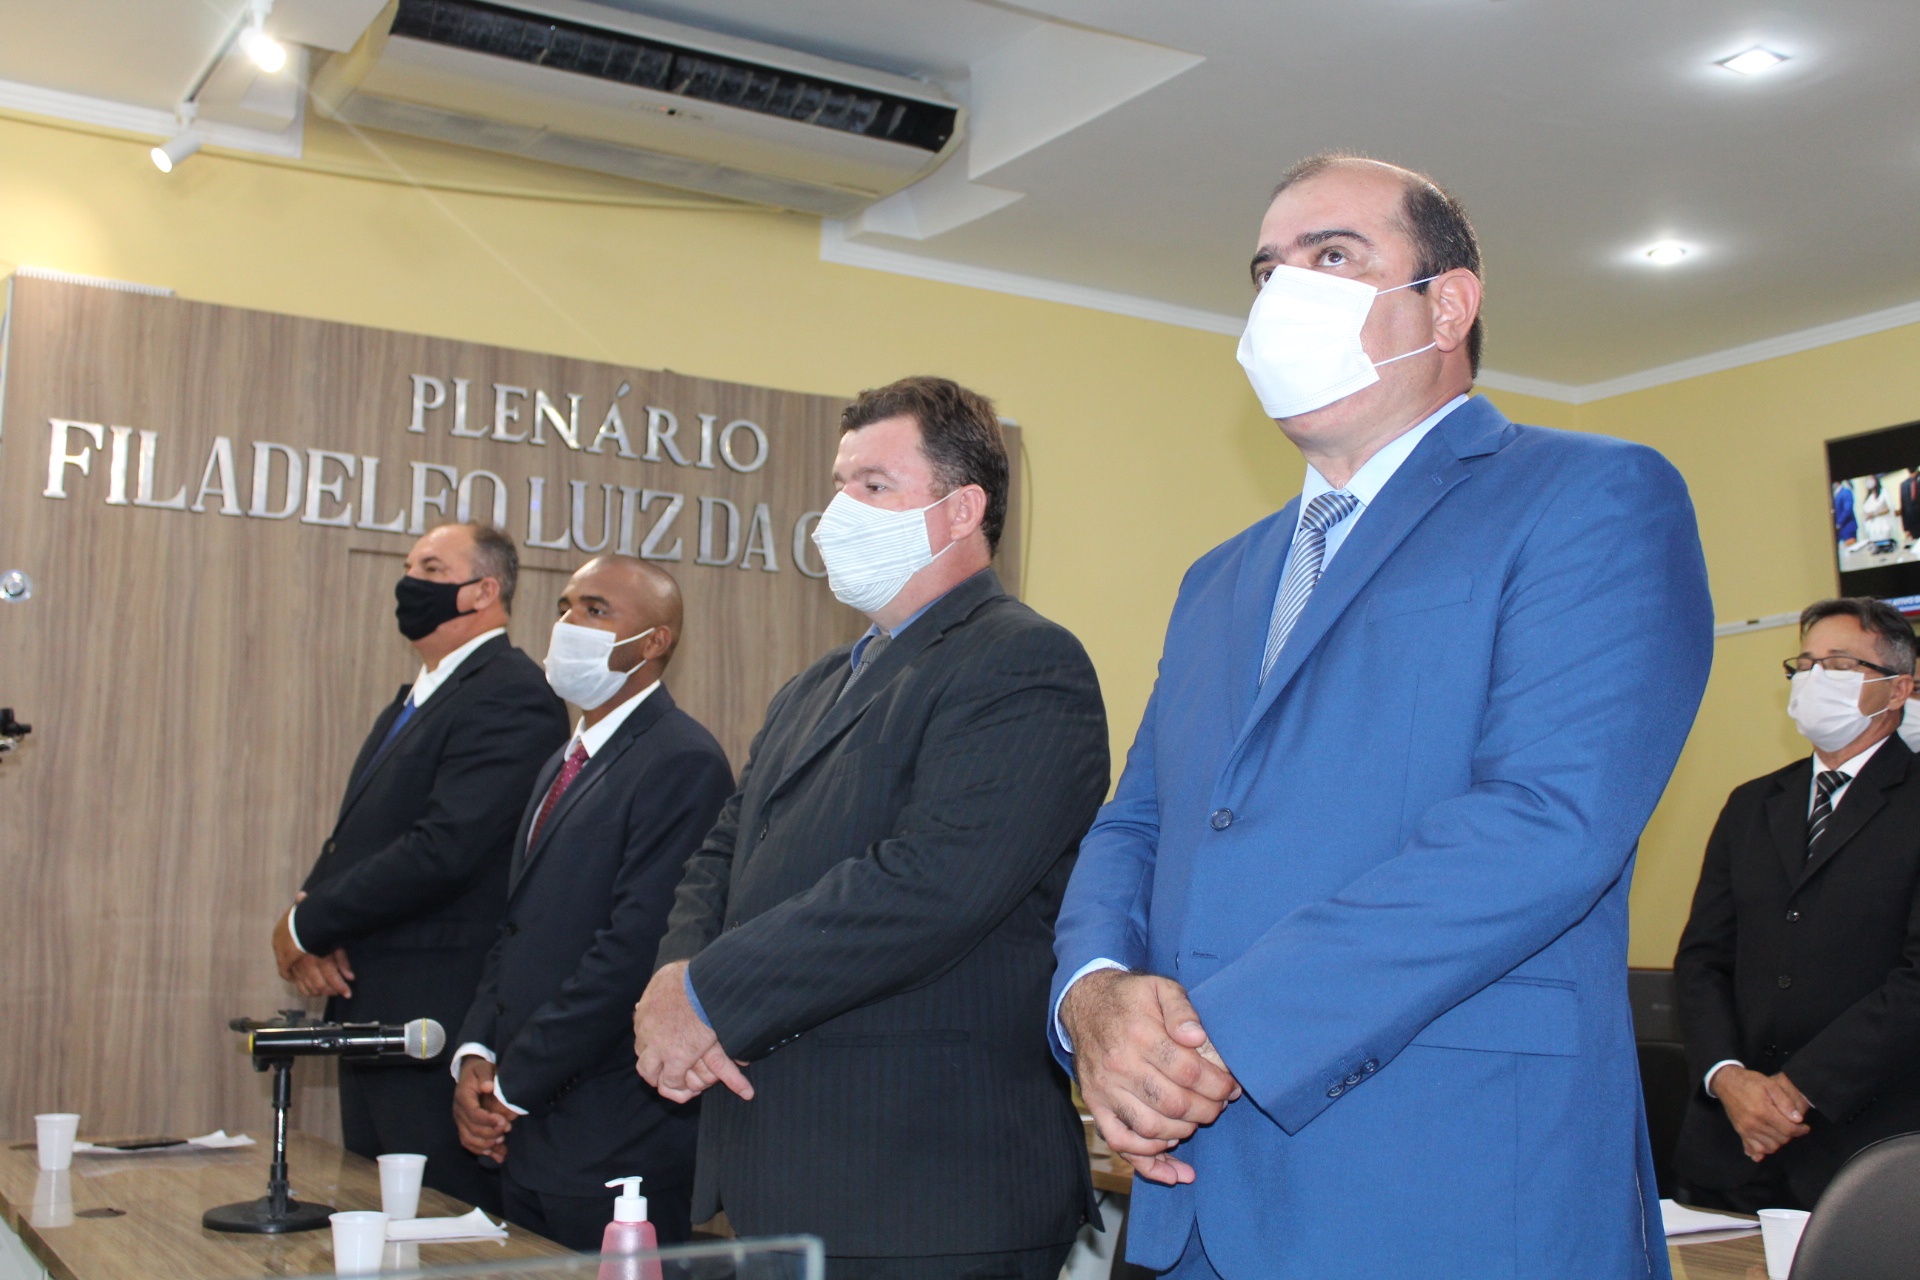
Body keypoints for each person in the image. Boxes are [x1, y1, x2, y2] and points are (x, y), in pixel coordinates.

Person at [1050, 154, 1713, 1279]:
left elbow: (1544, 823)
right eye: (1267, 269)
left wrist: (1215, 1035)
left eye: (1332, 255)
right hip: (1196, 1202)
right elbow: (1141, 822)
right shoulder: (1221, 576)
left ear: (1447, 305)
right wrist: (1096, 995)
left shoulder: (1590, 495)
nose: (1284, 292)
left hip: (1449, 1189)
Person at [631, 376, 1110, 1278]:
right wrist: (673, 978)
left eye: (874, 485)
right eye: (839, 483)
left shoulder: (1024, 660)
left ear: (961, 509)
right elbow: (725, 851)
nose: (838, 511)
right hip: (790, 1177)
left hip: (928, 1190)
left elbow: (933, 883)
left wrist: (709, 995)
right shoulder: (814, 685)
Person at [272, 522, 569, 1210]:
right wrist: (318, 923)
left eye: (431, 569)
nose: (410, 583)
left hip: (435, 1018)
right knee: (379, 1219)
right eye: (409, 567)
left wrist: (308, 924)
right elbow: (360, 839)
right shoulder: (414, 698)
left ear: (483, 591)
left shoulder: (511, 693)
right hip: (370, 1002)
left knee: (436, 1225)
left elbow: (444, 848)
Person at [450, 555, 733, 1249]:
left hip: (613, 1139)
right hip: (528, 1135)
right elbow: (515, 927)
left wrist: (513, 1086)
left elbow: (633, 953)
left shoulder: (681, 759)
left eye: (596, 609)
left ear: (655, 640)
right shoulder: (562, 759)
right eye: (566, 606)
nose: (569, 622)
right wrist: (477, 1053)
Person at [1673, 597, 1920, 1212]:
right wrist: (1729, 1079)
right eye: (1804, 664)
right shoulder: (1752, 804)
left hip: (1868, 1149)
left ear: (1898, 689)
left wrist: (1796, 1090)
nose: (1813, 679)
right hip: (1733, 1146)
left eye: (1837, 665)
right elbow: (1703, 960)